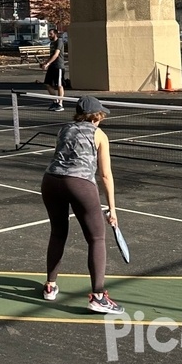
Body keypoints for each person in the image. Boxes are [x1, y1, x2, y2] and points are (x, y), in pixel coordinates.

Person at [39, 95, 124, 314]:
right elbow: (105, 175)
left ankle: (50, 285)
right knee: (96, 238)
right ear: (97, 115)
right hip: (80, 184)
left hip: (50, 181)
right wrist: (112, 208)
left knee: (58, 233)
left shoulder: (63, 129)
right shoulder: (100, 135)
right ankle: (98, 297)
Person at [39, 28, 64, 111]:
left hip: (58, 66)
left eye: (51, 34)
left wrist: (48, 64)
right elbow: (51, 56)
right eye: (49, 34)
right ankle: (55, 102)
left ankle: (60, 104)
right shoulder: (52, 44)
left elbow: (56, 55)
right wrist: (45, 63)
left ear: (55, 34)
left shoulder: (59, 42)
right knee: (48, 84)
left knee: (59, 85)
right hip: (52, 67)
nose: (49, 35)